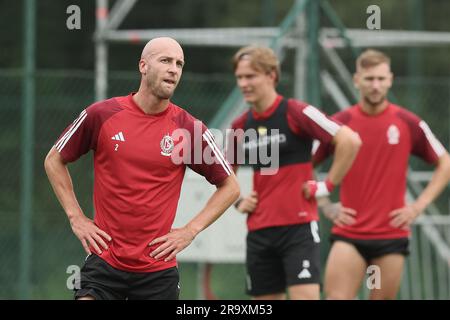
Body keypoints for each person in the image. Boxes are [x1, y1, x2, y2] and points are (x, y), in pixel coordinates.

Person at [44, 37, 240, 300]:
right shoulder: (102, 115)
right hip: (104, 263)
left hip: (157, 272)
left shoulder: (189, 129)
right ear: (143, 66)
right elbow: (54, 160)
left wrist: (190, 231)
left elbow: (230, 187)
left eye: (179, 64)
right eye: (165, 60)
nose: (174, 69)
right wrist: (75, 217)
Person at [313, 49, 450, 300]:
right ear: (357, 80)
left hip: (391, 235)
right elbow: (303, 164)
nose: (375, 86)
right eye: (369, 79)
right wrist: (325, 204)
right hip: (349, 233)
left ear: (390, 80)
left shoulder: (407, 122)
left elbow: (445, 163)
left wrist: (418, 206)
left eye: (380, 79)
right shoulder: (339, 124)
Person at [226, 46, 361, 300]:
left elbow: (350, 141)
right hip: (259, 232)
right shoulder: (240, 126)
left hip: (298, 230)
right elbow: (223, 174)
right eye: (240, 77)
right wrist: (238, 201)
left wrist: (326, 187)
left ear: (271, 75)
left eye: (250, 76)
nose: (243, 83)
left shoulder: (296, 112)